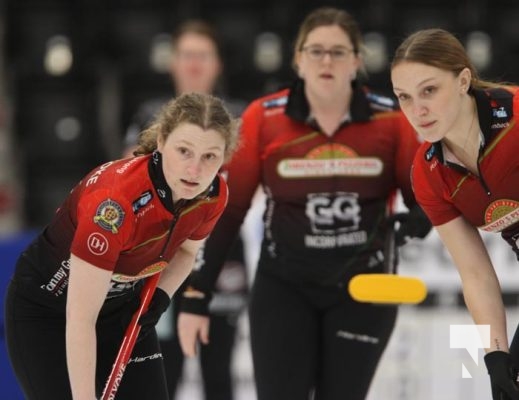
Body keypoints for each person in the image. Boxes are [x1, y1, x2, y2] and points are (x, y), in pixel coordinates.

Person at [177, 7, 431, 400]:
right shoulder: (265, 117)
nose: (326, 60)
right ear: (298, 59)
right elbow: (230, 210)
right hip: (283, 288)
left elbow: (424, 197)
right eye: (315, 51)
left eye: (338, 51)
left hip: (363, 290)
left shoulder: (391, 120)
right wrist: (197, 296)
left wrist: (420, 218)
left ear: (357, 61)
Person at [4, 92, 239, 400]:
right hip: (52, 312)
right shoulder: (114, 205)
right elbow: (80, 316)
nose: (195, 170)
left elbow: (186, 252)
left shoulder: (213, 195)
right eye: (184, 151)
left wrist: (159, 297)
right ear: (162, 141)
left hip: (123, 309)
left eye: (210, 156)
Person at [391, 28, 519, 400]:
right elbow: (475, 273)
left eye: (429, 90)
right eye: (404, 97)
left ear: (463, 80)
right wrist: (496, 355)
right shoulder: (428, 174)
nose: (418, 110)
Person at [123, 19, 248, 400]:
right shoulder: (149, 116)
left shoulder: (240, 118)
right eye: (186, 55)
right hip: (160, 257)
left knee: (218, 371)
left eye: (203, 55)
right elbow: (127, 182)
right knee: (161, 369)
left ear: (218, 64)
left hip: (223, 258)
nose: (194, 64)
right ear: (172, 62)